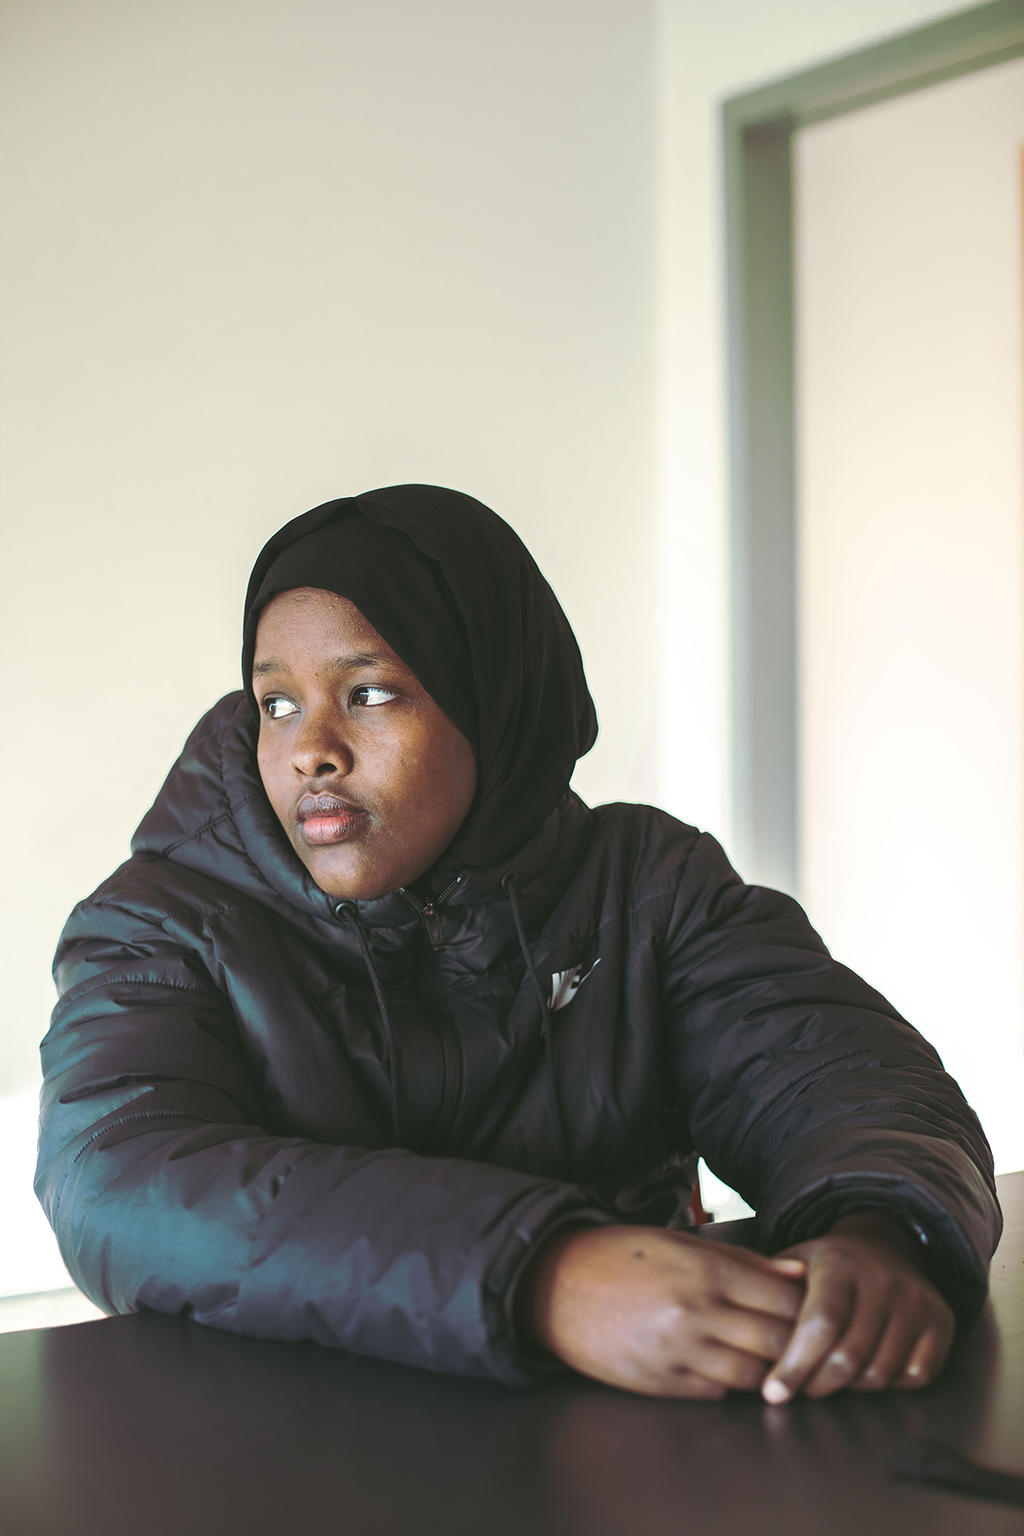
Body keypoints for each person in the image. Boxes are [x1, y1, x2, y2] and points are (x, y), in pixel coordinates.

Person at [37, 484, 1001, 1402]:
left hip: (635, 1445)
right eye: (277, 703)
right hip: (297, 1456)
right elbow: (122, 1185)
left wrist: (881, 1233)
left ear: (494, 701)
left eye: (369, 693)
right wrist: (542, 1275)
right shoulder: (157, 925)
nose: (310, 749)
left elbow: (836, 1077)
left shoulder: (647, 884)